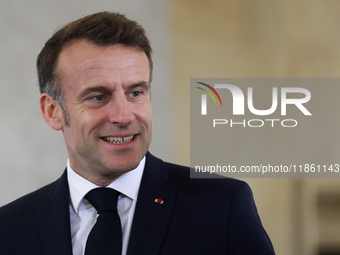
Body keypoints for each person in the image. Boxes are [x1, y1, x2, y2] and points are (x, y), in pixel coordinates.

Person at [0, 12, 275, 255]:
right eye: (98, 96)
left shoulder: (222, 207)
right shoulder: (9, 228)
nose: (124, 116)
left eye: (135, 93)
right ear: (52, 111)